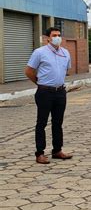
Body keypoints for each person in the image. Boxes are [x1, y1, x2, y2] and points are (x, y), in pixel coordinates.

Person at [25, 27, 73, 164]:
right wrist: (39, 83)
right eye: (54, 35)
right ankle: (40, 153)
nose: (57, 37)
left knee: (58, 122)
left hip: (60, 92)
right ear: (48, 38)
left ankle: (57, 150)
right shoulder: (39, 52)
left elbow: (67, 70)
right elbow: (28, 71)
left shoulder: (65, 53)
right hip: (45, 92)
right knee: (42, 122)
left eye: (59, 35)